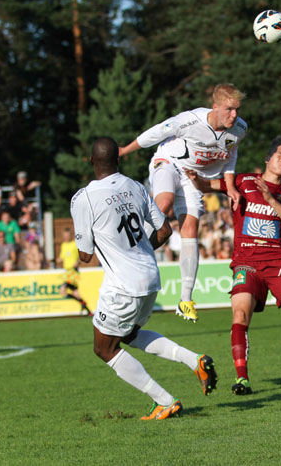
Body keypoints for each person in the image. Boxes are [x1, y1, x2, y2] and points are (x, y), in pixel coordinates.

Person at [71, 137, 217, 420]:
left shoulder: (83, 198)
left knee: (104, 348)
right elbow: (164, 232)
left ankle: (164, 401)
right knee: (129, 334)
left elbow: (85, 255)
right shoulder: (136, 186)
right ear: (118, 160)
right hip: (150, 277)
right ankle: (194, 360)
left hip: (123, 285)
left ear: (91, 162)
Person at [184, 136, 281, 395]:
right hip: (247, 262)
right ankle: (242, 379)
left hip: (279, 262)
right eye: (280, 155)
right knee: (240, 316)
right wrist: (194, 177)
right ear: (268, 158)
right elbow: (207, 185)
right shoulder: (243, 181)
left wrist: (271, 200)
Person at [119, 83, 247, 323]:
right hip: (168, 163)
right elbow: (156, 132)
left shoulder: (239, 129)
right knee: (164, 204)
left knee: (190, 229)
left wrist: (229, 186)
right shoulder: (189, 120)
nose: (235, 115)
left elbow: (231, 157)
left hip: (193, 179)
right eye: (229, 109)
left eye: (237, 109)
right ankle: (132, 254)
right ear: (216, 106)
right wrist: (124, 150)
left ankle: (185, 300)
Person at [56, 227, 91, 315]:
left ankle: (84, 306)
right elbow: (62, 257)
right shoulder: (63, 245)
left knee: (62, 290)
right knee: (76, 293)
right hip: (67, 271)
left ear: (70, 235)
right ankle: (86, 308)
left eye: (67, 235)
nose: (66, 237)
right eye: (64, 235)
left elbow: (81, 256)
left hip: (72, 271)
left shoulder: (75, 244)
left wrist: (78, 262)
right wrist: (56, 260)